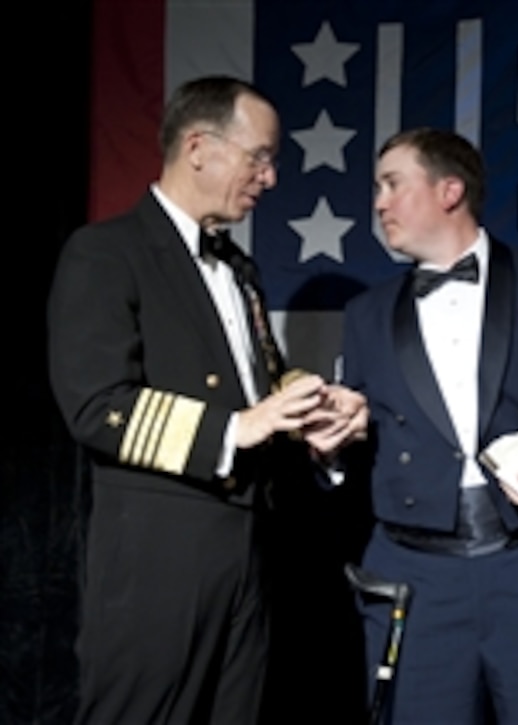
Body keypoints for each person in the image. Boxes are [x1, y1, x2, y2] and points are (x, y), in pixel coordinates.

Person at [48, 76, 366, 724]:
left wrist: (309, 407)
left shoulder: (238, 269)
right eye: (260, 157)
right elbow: (95, 404)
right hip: (160, 561)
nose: (271, 178)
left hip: (251, 553)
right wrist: (236, 427)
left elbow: (255, 382)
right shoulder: (106, 253)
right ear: (199, 147)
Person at [336, 127, 518, 723]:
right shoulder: (365, 315)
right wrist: (327, 449)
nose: (379, 203)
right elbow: (351, 436)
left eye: (392, 184)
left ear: (450, 191)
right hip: (415, 579)